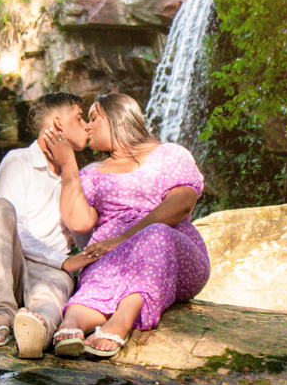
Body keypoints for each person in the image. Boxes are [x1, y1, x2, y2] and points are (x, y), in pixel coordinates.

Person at [41, 92, 210, 358]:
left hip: (174, 255)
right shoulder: (92, 172)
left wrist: (123, 239)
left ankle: (123, 318)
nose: (86, 126)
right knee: (96, 261)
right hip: (113, 255)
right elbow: (79, 222)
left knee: (155, 234)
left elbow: (183, 202)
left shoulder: (169, 154)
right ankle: (73, 322)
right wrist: (69, 165)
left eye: (94, 118)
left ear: (118, 119)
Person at [0, 91, 92, 358]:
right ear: (58, 123)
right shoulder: (18, 162)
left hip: (49, 274)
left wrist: (70, 169)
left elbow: (86, 238)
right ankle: (0, 313)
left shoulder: (79, 176)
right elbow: (15, 231)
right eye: (79, 117)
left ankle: (36, 331)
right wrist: (64, 261)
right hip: (8, 265)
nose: (86, 125)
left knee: (49, 302)